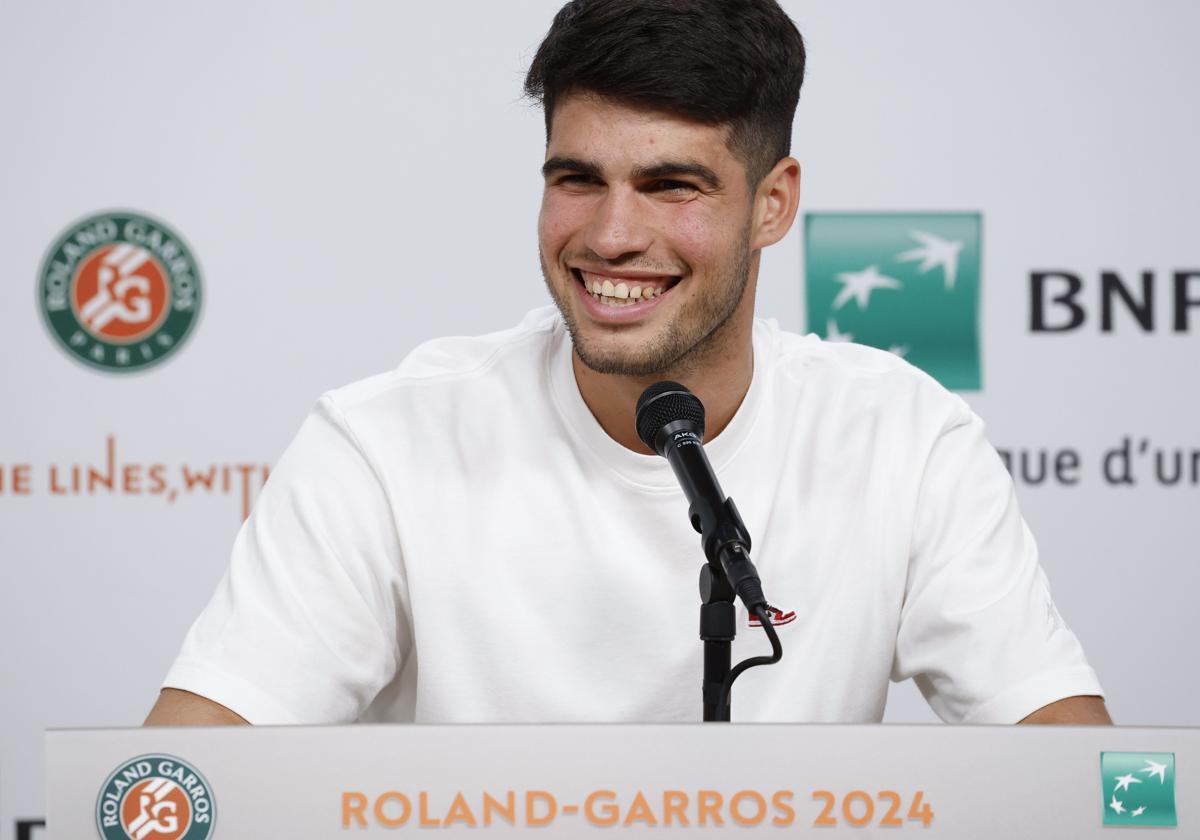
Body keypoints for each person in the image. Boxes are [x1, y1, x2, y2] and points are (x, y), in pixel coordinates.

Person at [147, 0, 1109, 727]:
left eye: (670, 186)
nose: (610, 234)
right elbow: (180, 785)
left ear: (773, 205)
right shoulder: (382, 441)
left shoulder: (904, 439)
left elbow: (1081, 784)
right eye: (578, 179)